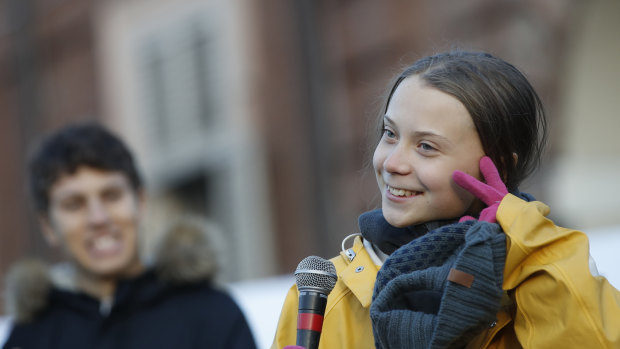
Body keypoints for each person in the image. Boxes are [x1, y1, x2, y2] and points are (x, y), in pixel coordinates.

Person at [271, 50, 620, 348]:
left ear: (496, 167)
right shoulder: (322, 295)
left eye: (426, 146)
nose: (392, 163)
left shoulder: (542, 273)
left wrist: (530, 242)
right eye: (390, 134)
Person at [2, 123, 257, 349]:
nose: (98, 218)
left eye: (111, 196)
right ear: (48, 226)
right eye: (74, 204)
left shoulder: (211, 315)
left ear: (141, 202)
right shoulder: (30, 337)